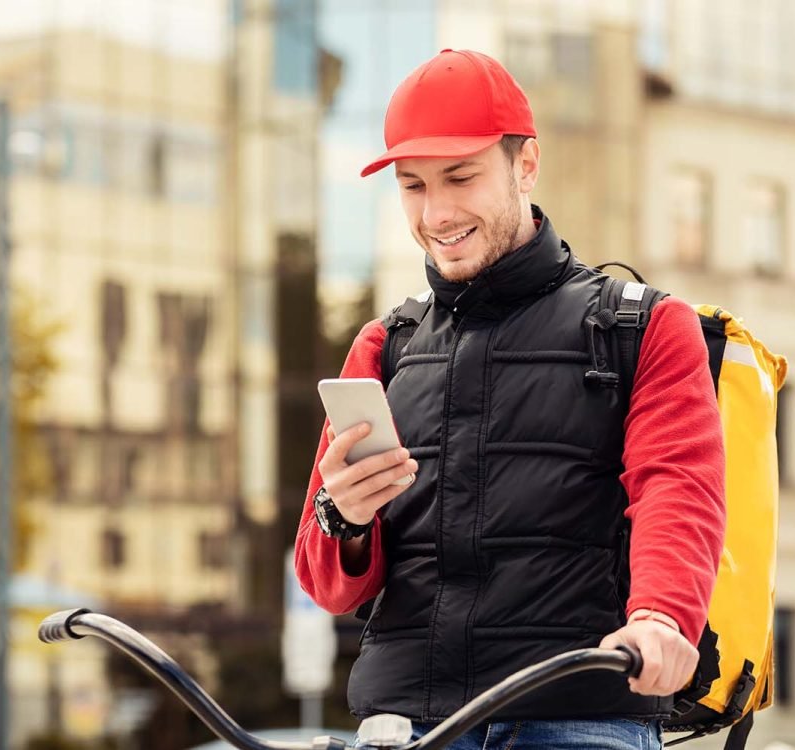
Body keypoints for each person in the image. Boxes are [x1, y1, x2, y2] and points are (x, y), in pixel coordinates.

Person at [294, 49, 725, 750]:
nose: (436, 213)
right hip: (405, 723)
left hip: (577, 715)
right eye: (412, 186)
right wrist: (343, 515)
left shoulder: (641, 328)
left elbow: (677, 491)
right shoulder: (384, 347)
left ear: (525, 165)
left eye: (460, 177)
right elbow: (329, 586)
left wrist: (662, 620)